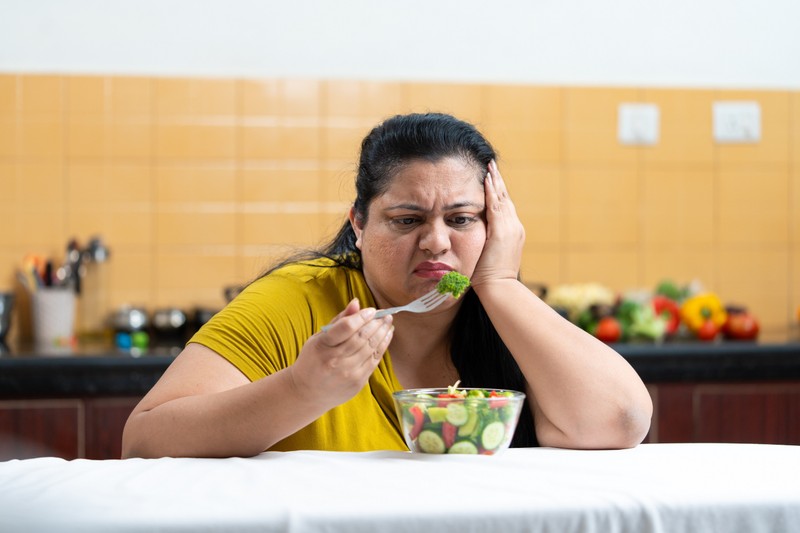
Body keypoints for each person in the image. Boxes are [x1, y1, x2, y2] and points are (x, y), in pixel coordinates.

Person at [122, 112, 652, 458]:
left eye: (463, 219)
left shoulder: (505, 310)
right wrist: (303, 389)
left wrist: (500, 284)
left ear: (497, 225)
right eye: (406, 220)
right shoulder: (298, 298)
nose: (436, 243)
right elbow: (144, 442)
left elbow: (621, 420)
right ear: (358, 223)